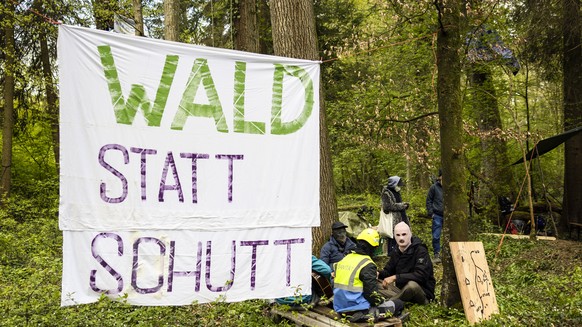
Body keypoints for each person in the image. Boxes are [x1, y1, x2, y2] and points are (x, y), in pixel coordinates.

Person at [333, 228, 404, 323]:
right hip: (358, 312)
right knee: (399, 304)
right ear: (373, 247)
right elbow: (371, 295)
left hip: (340, 308)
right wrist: (382, 301)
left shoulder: (345, 259)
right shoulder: (367, 264)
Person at [378, 222, 436, 305]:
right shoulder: (396, 251)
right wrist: (378, 273)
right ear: (394, 236)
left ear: (410, 234)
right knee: (375, 283)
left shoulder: (420, 251)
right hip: (401, 291)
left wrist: (396, 277)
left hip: (421, 294)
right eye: (398, 235)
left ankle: (388, 304)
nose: (401, 238)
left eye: (404, 234)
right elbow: (388, 272)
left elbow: (421, 275)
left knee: (412, 286)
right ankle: (395, 300)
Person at [381, 176, 410, 254]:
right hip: (393, 219)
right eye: (398, 183)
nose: (399, 186)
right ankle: (392, 253)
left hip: (401, 217)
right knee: (393, 236)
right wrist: (402, 206)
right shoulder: (386, 193)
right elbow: (387, 206)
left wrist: (404, 205)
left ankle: (402, 251)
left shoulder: (396, 192)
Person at [426, 169, 444, 263]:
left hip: (448, 215)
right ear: (440, 177)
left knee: (449, 235)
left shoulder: (449, 188)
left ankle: (448, 253)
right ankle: (437, 254)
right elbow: (428, 200)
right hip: (437, 215)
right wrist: (431, 213)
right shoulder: (434, 187)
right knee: (436, 236)